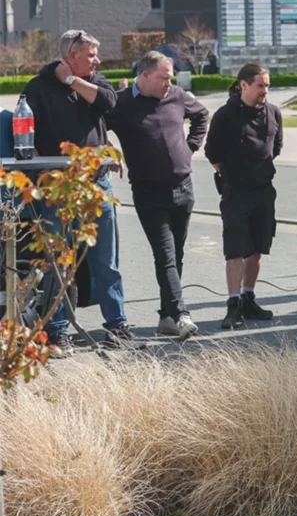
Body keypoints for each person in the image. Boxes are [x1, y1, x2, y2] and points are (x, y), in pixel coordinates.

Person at [22, 29, 135, 356]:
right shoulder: (38, 88)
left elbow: (109, 103)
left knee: (106, 261)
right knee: (58, 263)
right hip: (58, 189)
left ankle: (117, 326)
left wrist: (72, 81)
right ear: (71, 55)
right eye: (91, 55)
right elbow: (25, 138)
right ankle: (57, 332)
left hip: (96, 185)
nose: (97, 61)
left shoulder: (95, 81)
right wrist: (38, 175)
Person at [107, 51, 208, 338]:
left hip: (183, 187)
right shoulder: (121, 103)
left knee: (176, 254)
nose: (169, 83)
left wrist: (190, 147)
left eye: (170, 77)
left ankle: (166, 317)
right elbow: (95, 126)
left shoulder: (176, 95)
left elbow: (201, 114)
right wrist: (108, 150)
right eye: (164, 77)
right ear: (145, 75)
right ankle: (180, 314)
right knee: (165, 255)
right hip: (149, 192)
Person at [204, 63, 280, 330]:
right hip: (236, 192)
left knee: (257, 248)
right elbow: (212, 153)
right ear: (243, 85)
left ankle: (248, 297)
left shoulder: (273, 112)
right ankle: (233, 303)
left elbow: (276, 146)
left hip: (264, 191)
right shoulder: (225, 115)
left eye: (267, 85)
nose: (265, 90)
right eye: (260, 85)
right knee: (235, 249)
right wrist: (233, 174)